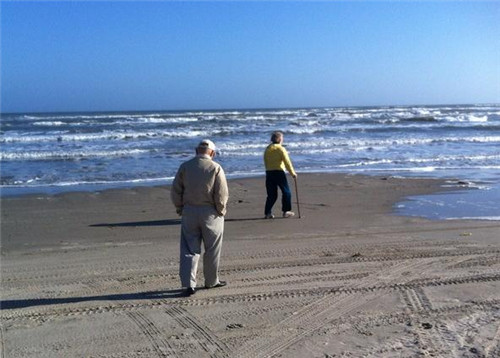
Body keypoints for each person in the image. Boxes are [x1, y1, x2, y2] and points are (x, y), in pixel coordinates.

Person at [171, 139, 229, 296]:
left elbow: (176, 190)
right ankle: (211, 281)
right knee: (212, 249)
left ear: (197, 151)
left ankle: (188, 284)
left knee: (189, 249)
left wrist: (179, 207)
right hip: (210, 212)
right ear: (212, 152)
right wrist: (221, 210)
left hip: (189, 211)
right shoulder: (215, 167)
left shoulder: (185, 166)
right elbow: (221, 193)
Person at [263, 131, 297, 219]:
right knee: (286, 192)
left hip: (269, 173)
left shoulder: (267, 149)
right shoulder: (281, 149)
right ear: (280, 139)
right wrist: (292, 173)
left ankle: (268, 212)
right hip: (279, 172)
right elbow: (287, 162)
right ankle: (286, 211)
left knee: (272, 195)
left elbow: (266, 161)